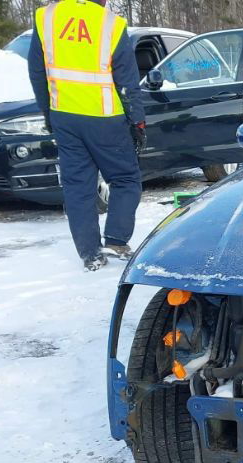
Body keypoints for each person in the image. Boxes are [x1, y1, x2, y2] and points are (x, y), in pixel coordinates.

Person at [27, 0, 147, 271]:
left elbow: (37, 71)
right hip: (106, 119)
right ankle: (116, 239)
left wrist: (48, 111)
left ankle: (90, 254)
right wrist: (137, 122)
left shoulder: (45, 17)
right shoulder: (111, 24)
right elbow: (127, 82)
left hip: (65, 117)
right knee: (126, 178)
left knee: (78, 187)